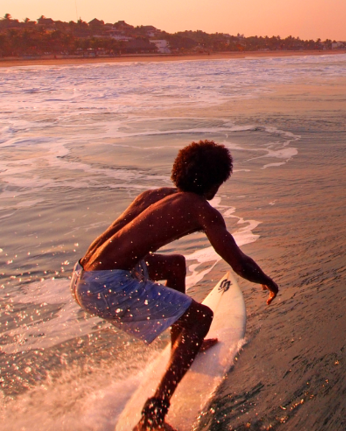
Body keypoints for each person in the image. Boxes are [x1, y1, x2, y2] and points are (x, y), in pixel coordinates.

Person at [71, 140, 279, 431]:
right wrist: (267, 282)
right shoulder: (201, 210)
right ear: (216, 183)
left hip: (83, 275)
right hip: (107, 284)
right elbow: (239, 262)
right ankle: (153, 414)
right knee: (203, 317)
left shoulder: (153, 196)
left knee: (175, 264)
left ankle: (180, 344)